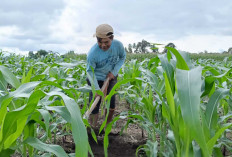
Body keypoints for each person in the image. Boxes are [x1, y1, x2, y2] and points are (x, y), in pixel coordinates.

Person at [86, 24, 126, 129]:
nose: (103, 45)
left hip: (111, 76)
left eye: (106, 42)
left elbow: (122, 57)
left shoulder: (118, 46)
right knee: (94, 103)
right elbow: (90, 71)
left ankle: (107, 126)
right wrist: (96, 89)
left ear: (112, 38)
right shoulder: (93, 53)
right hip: (95, 78)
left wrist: (114, 72)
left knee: (111, 102)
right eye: (100, 42)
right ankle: (92, 128)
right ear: (97, 40)